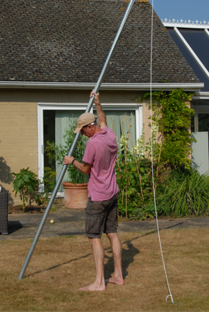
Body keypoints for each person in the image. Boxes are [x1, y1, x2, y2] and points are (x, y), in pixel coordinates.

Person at [63, 90, 124, 292]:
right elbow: (103, 120)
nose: (81, 134)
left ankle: (99, 282)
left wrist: (72, 161)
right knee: (112, 233)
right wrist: (98, 103)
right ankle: (118, 275)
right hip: (112, 192)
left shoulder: (93, 144)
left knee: (94, 236)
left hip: (98, 196)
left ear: (90, 126)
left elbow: (86, 169)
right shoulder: (109, 135)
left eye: (83, 130)